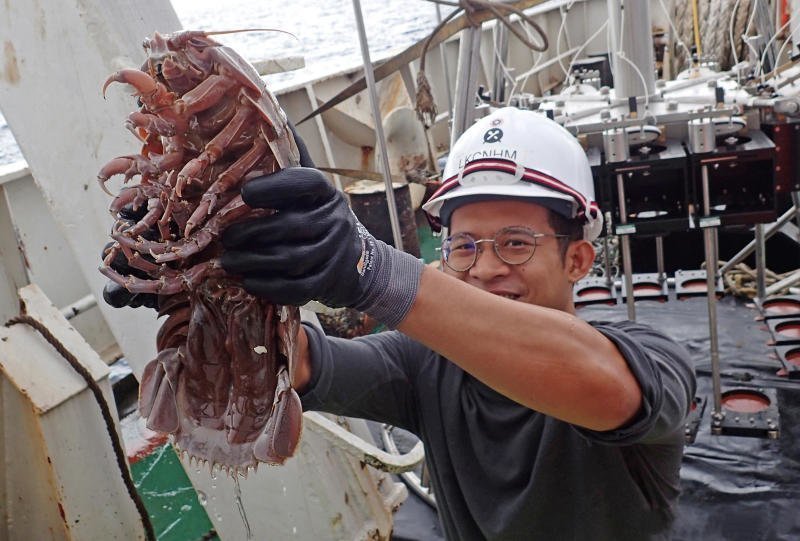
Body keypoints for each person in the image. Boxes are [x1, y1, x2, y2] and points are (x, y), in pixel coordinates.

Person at [106, 107, 696, 540]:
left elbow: (609, 390)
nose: (486, 268)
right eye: (464, 247)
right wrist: (201, 278)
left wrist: (372, 270)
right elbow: (302, 360)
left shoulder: (651, 359)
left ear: (578, 260)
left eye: (516, 244)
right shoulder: (424, 365)